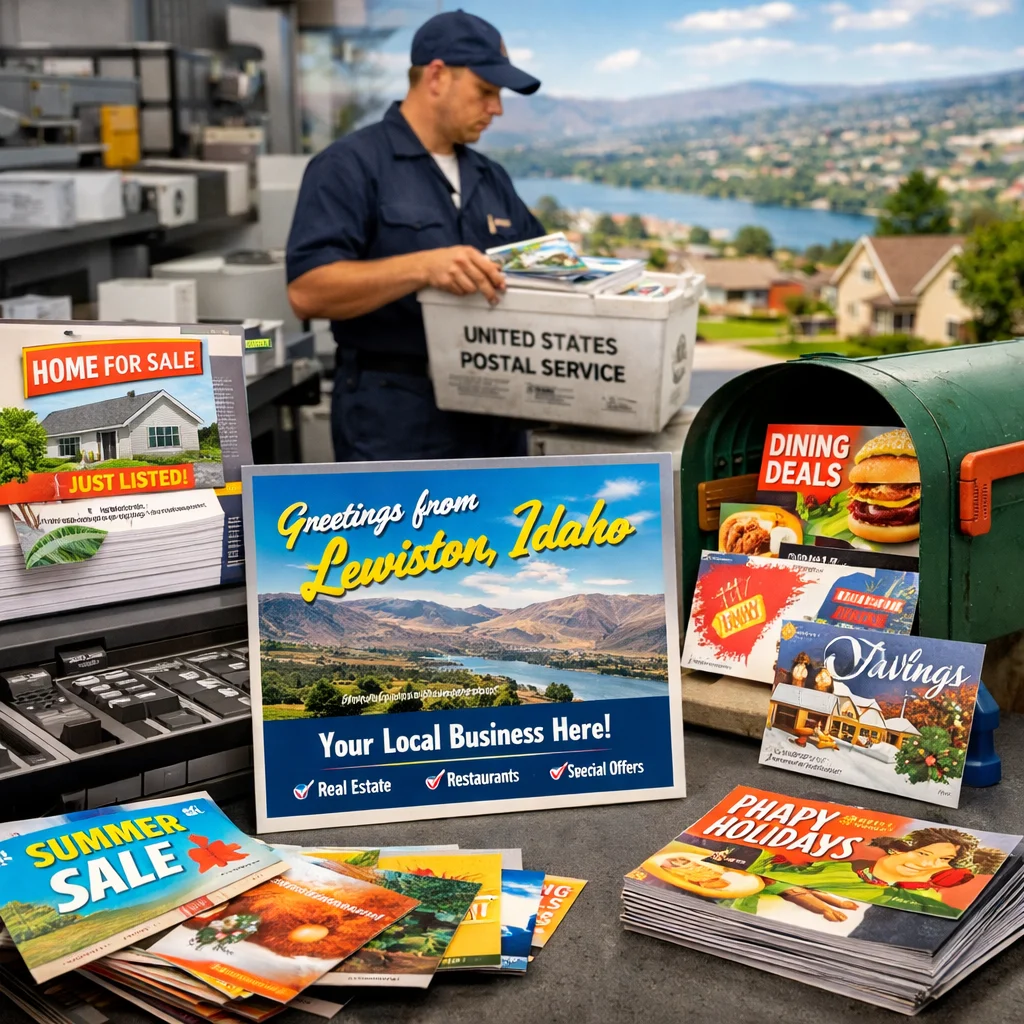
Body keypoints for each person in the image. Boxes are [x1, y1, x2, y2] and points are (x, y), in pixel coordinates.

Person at [286, 10, 545, 462]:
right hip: (394, 420)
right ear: (437, 76)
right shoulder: (348, 166)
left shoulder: (491, 177)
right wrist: (424, 267)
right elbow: (307, 292)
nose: (497, 108)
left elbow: (543, 269)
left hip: (497, 419)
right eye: (486, 91)